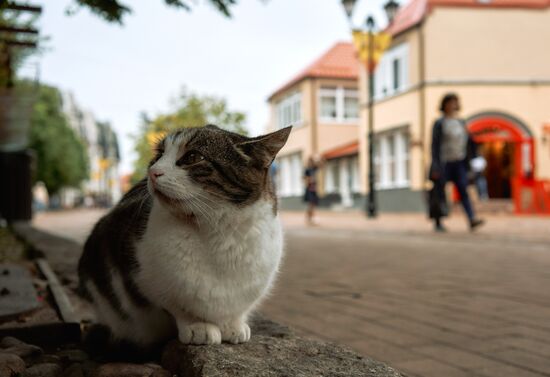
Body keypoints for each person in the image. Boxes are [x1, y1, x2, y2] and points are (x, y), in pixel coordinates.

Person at [430, 93, 485, 232]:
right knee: (439, 192)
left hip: (459, 162)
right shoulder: (439, 123)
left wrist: (475, 158)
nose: (454, 105)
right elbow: (434, 146)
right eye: (451, 102)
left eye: (456, 102)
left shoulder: (461, 122)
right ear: (445, 104)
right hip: (444, 163)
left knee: (463, 190)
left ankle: (472, 219)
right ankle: (438, 221)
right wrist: (435, 166)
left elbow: (469, 143)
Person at [304, 156, 322, 226]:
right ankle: (312, 217)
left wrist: (318, 159)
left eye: (312, 161)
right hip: (309, 189)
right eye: (311, 161)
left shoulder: (314, 169)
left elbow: (321, 165)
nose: (311, 162)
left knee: (313, 204)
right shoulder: (307, 170)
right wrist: (309, 179)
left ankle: (309, 217)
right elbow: (304, 178)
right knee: (311, 204)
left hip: (314, 189)